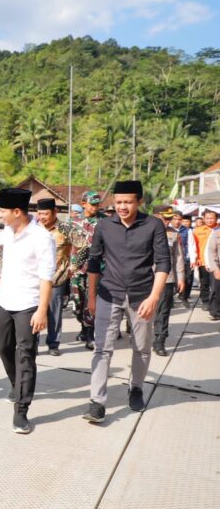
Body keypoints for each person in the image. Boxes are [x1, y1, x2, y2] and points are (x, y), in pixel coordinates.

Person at [83, 181, 170, 423]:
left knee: (141, 347)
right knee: (102, 348)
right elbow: (93, 261)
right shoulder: (104, 225)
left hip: (142, 295)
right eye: (118, 202)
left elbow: (163, 263)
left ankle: (136, 388)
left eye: (128, 202)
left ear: (139, 201)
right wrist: (91, 297)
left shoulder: (153, 225)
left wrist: (154, 297)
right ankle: (97, 401)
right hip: (109, 294)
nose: (122, 207)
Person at [0, 189, 55, 434]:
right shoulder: (7, 233)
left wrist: (42, 311)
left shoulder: (41, 238)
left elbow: (46, 277)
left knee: (25, 355)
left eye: (2, 211)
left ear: (16, 212)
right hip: (4, 302)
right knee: (3, 347)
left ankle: (21, 410)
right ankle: (16, 384)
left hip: (29, 305)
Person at [36, 198, 80, 356]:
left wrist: (73, 265)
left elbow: (83, 246)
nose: (42, 217)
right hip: (35, 280)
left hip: (56, 278)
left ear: (54, 212)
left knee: (54, 313)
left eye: (45, 214)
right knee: (33, 312)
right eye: (40, 213)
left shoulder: (65, 228)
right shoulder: (33, 229)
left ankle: (53, 344)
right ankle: (33, 344)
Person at [69, 191, 106, 350]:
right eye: (92, 204)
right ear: (83, 204)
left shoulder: (105, 221)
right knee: (78, 303)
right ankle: (84, 327)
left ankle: (90, 334)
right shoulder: (73, 222)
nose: (95, 207)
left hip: (97, 269)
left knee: (91, 303)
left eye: (97, 204)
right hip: (77, 269)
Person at [152, 205, 185, 356]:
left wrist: (181, 278)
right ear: (155, 216)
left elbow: (178, 257)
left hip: (167, 277)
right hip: (144, 277)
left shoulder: (174, 235)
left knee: (163, 310)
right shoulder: (142, 231)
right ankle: (137, 334)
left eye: (168, 219)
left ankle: (160, 340)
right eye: (163, 218)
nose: (166, 221)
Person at [192, 209, 217, 315]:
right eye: (208, 218)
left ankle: (214, 303)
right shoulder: (198, 231)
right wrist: (195, 258)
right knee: (204, 283)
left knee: (215, 284)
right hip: (202, 261)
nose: (210, 220)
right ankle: (205, 301)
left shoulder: (218, 229)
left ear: (216, 219)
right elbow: (194, 246)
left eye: (212, 218)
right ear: (204, 219)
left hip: (215, 262)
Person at [174, 212, 195, 308]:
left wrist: (193, 259)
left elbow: (191, 245)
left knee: (188, 279)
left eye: (179, 219)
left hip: (185, 258)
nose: (177, 221)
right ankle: (170, 299)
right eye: (175, 219)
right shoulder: (166, 230)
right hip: (171, 258)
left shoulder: (187, 231)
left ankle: (184, 297)